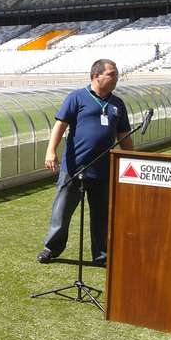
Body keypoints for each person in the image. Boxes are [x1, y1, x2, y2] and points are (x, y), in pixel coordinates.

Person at [37, 59, 133, 267]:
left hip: (104, 170)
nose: (116, 78)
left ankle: (101, 255)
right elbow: (60, 125)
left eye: (116, 74)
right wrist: (50, 151)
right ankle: (51, 249)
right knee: (61, 212)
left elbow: (124, 135)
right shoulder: (76, 97)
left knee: (101, 216)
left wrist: (133, 158)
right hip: (74, 168)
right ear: (96, 76)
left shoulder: (118, 104)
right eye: (111, 74)